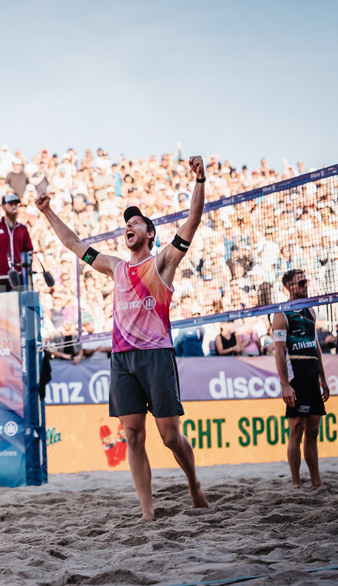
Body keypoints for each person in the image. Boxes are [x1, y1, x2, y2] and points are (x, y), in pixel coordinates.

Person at [34, 155, 209, 521]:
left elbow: (192, 220)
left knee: (170, 437)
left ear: (149, 234)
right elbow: (73, 243)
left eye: (135, 223)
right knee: (132, 436)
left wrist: (200, 181)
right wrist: (48, 212)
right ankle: (147, 511)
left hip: (157, 356)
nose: (128, 226)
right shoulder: (116, 266)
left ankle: (193, 483)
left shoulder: (161, 262)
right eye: (126, 223)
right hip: (123, 359)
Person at [272, 269, 330, 488]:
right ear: (289, 287)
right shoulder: (281, 315)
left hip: (312, 374)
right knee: (296, 430)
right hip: (295, 377)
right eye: (301, 283)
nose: (306, 286)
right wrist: (285, 384)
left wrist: (323, 379)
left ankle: (316, 481)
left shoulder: (310, 313)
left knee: (313, 430)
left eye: (306, 282)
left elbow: (316, 348)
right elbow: (278, 351)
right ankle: (296, 483)